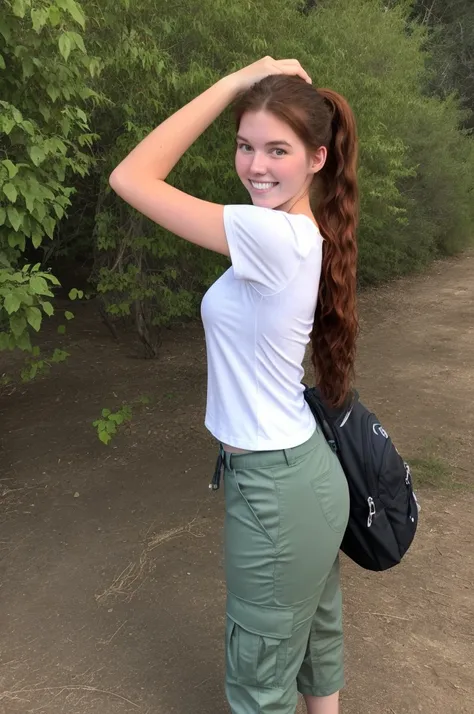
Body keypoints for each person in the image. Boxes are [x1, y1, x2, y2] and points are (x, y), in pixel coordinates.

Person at [110, 56, 359, 714]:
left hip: (277, 492)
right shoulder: (299, 232)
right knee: (311, 640)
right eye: (245, 146)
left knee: (258, 681)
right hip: (305, 478)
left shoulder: (269, 235)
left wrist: (228, 85)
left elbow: (130, 176)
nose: (255, 165)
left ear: (316, 158)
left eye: (277, 149)